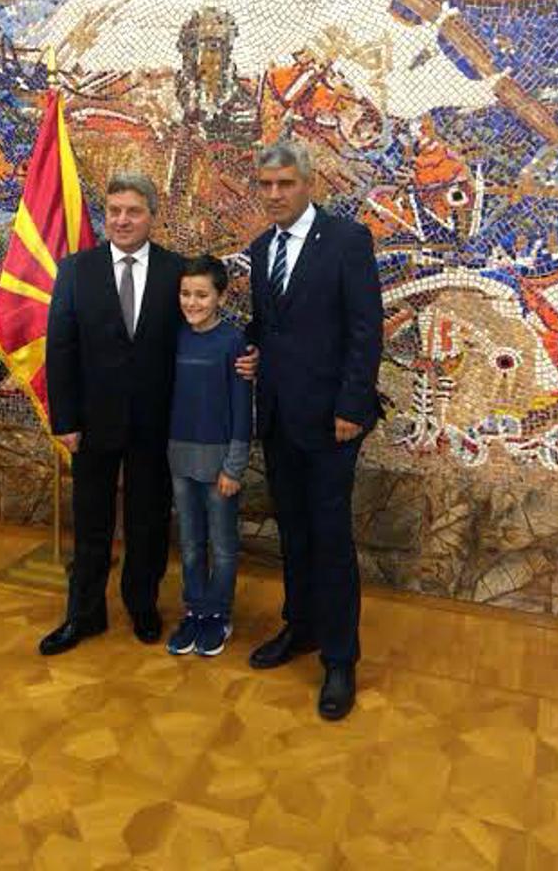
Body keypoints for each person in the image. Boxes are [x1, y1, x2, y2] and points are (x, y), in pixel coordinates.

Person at [39, 172, 256, 656]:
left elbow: (205, 328)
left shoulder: (175, 272)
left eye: (133, 211)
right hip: (92, 425)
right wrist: (65, 421)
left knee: (148, 522)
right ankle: (83, 614)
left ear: (152, 217)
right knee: (91, 522)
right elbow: (61, 348)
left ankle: (142, 606)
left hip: (158, 427)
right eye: (114, 210)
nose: (122, 220)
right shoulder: (76, 270)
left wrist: (248, 355)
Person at [247, 140, 384, 720]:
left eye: (285, 184)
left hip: (333, 421)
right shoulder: (261, 248)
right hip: (280, 417)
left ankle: (340, 658)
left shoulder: (347, 241)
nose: (275, 194)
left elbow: (365, 328)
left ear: (308, 184)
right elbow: (269, 325)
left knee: (329, 538)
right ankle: (300, 627)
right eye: (267, 185)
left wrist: (352, 404)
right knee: (294, 532)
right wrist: (250, 351)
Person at [166, 254, 252, 658]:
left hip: (220, 464)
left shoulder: (233, 342)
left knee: (222, 544)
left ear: (221, 297)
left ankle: (218, 613)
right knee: (190, 542)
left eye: (201, 295)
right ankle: (195, 609)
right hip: (179, 460)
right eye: (185, 293)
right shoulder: (174, 337)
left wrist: (234, 466)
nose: (192, 302)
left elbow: (242, 409)